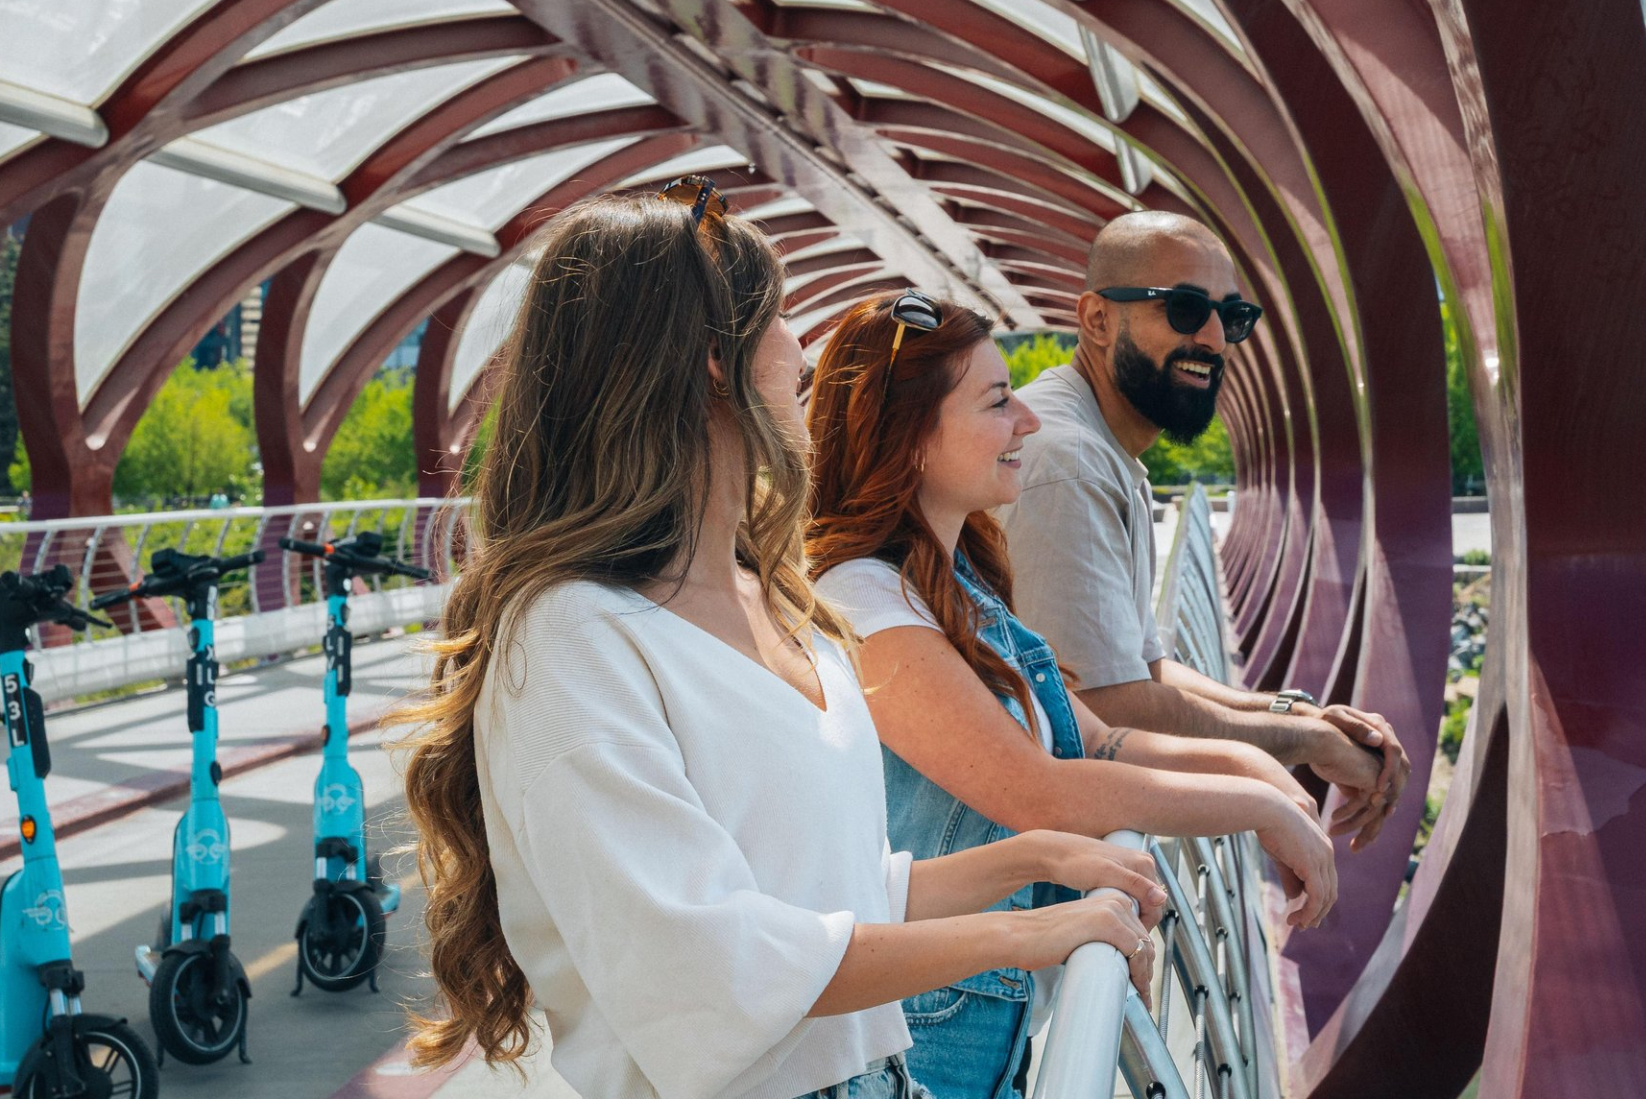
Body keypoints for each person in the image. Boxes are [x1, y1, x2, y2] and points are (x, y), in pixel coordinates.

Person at [396, 183, 1157, 1099]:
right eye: (784, 318)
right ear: (713, 363)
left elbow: (825, 892)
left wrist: (1039, 860)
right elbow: (709, 963)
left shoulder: (776, 599)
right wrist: (1031, 932)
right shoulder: (567, 638)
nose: (806, 349)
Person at [806, 290, 1339, 1099]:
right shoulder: (867, 605)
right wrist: (1257, 807)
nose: (1030, 420)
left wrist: (1253, 765)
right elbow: (1039, 791)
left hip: (976, 1014)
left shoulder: (954, 584)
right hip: (923, 1046)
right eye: (997, 401)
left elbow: (1099, 742)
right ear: (911, 440)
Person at [996, 212, 1410, 846]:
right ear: (1097, 319)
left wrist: (1297, 714)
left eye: (1233, 317)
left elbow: (1147, 670)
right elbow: (1107, 709)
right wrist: (1302, 742)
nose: (1216, 339)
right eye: (1186, 309)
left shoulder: (1102, 449)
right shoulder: (1067, 462)